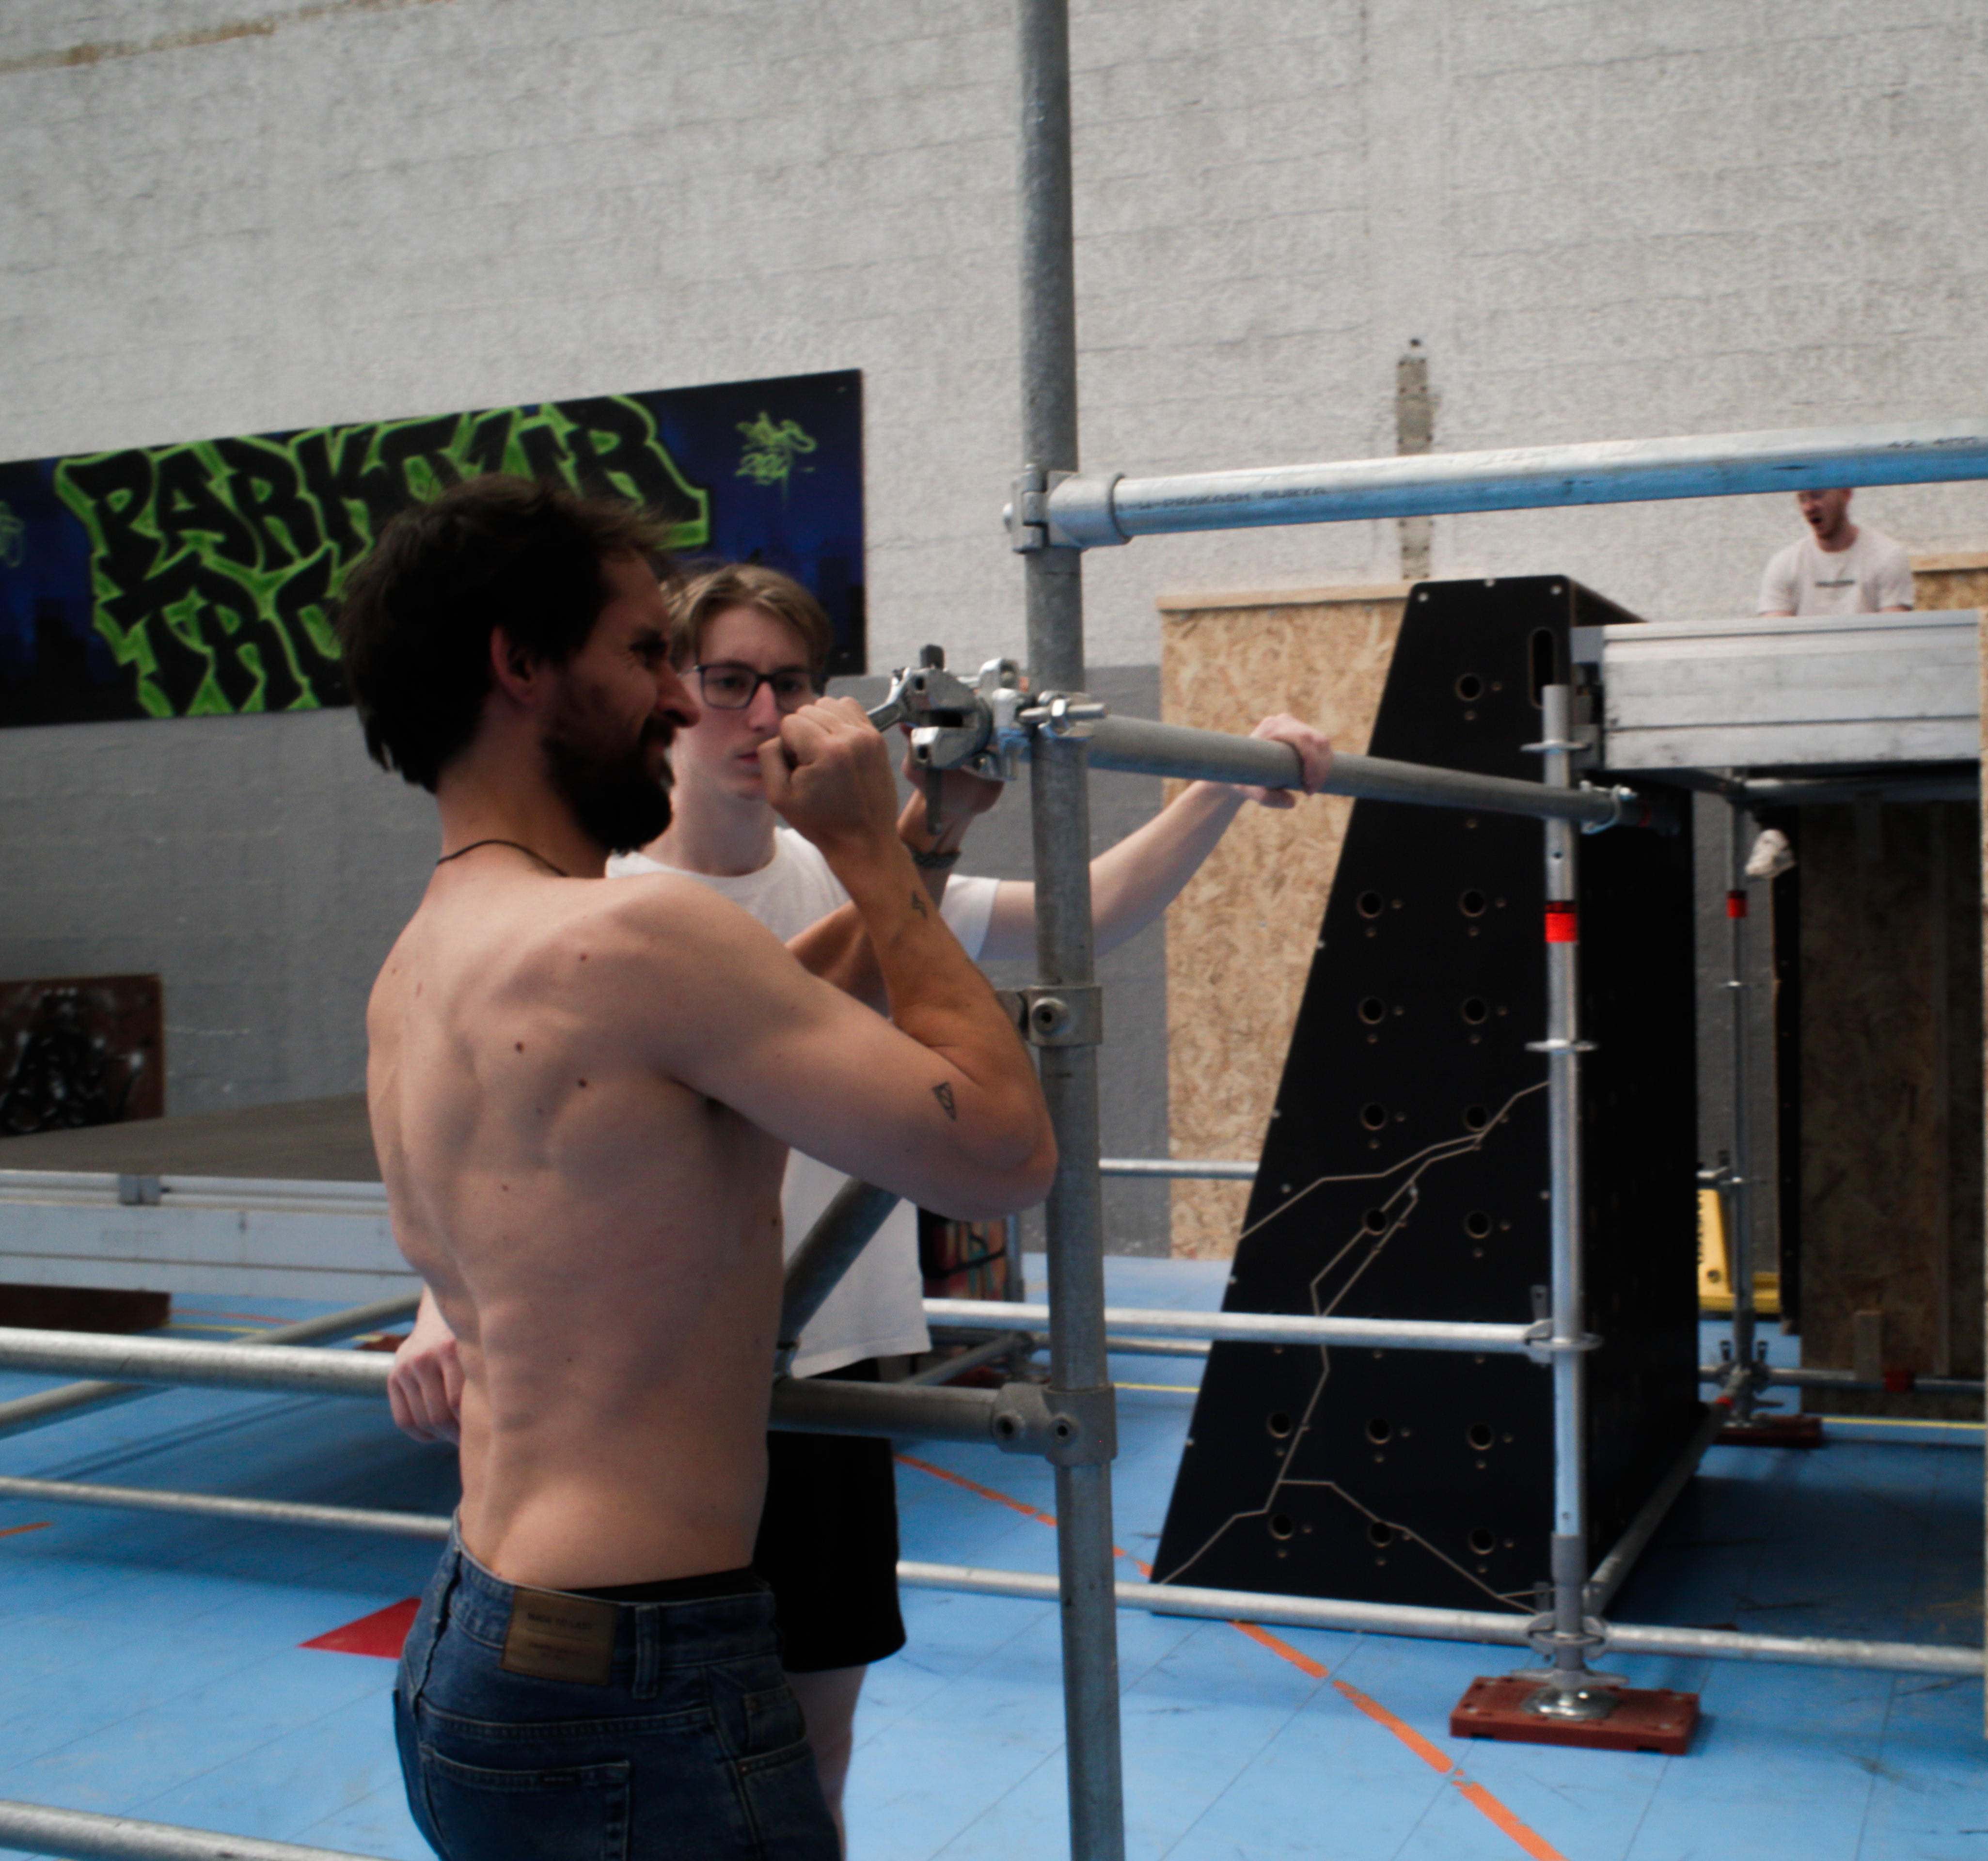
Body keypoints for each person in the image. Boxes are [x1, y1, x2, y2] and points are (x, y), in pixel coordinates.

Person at [387, 557, 1332, 1845]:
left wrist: (954, 834)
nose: (747, 714)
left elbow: (789, 1002)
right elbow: (1005, 1154)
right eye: (700, 675)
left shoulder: (471, 924)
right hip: (639, 1579)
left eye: (789, 685)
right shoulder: (624, 916)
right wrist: (450, 1307)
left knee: (812, 1749)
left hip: (611, 1526)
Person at [346, 475, 1055, 1861]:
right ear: (521, 663)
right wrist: (862, 847)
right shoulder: (635, 945)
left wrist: (920, 838)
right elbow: (1002, 1151)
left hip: (483, 1635)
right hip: (636, 1673)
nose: (680, 700)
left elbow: (753, 1020)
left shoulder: (425, 957)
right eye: (644, 654)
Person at [1757, 486, 1914, 616]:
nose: (1809, 507)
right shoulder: (1784, 564)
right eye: (1802, 499)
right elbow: (1775, 637)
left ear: (1846, 494)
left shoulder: (1888, 556)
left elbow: (1893, 636)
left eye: (1818, 495)